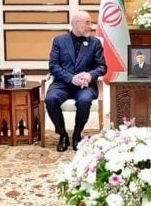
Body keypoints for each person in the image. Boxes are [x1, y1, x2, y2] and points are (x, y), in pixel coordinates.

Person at [45, 11, 106, 152]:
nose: (90, 26)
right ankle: (63, 135)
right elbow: (53, 66)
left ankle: (77, 134)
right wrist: (71, 78)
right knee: (51, 99)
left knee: (84, 101)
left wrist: (90, 75)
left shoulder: (95, 42)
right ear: (76, 23)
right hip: (62, 83)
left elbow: (102, 67)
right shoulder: (59, 41)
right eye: (87, 22)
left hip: (85, 85)